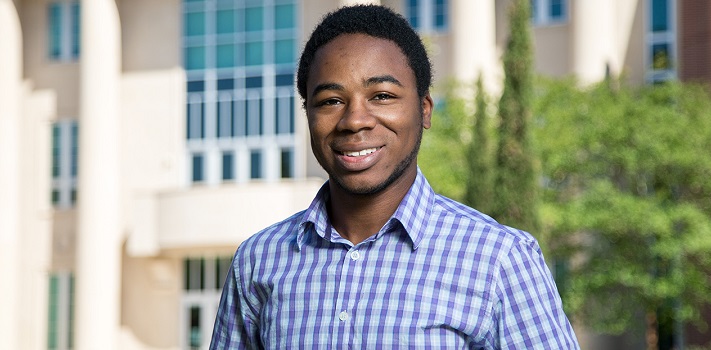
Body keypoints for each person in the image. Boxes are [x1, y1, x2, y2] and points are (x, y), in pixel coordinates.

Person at [210, 4, 580, 349]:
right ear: (308, 114)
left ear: (424, 110)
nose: (355, 120)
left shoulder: (500, 260)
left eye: (382, 95)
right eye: (330, 101)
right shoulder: (258, 260)